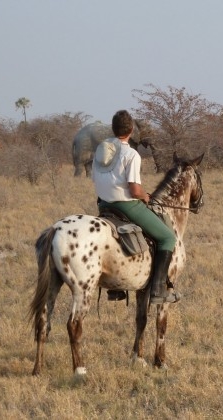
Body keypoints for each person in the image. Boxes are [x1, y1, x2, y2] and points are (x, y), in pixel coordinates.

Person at [92, 110, 179, 304]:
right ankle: (158, 290)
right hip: (125, 205)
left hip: (103, 205)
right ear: (131, 130)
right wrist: (145, 196)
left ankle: (115, 288)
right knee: (167, 237)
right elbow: (134, 190)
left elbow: (95, 179)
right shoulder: (131, 154)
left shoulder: (100, 151)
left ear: (113, 129)